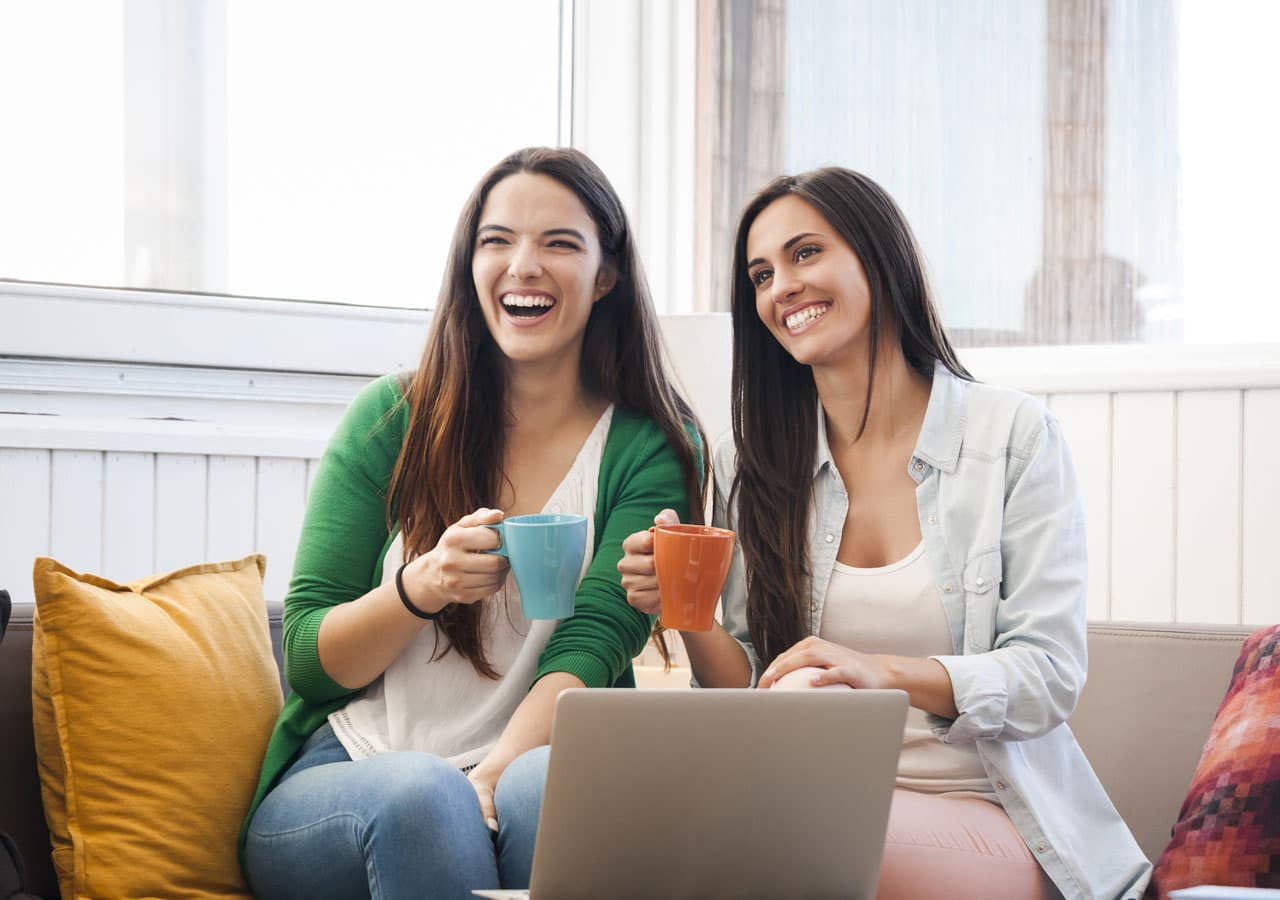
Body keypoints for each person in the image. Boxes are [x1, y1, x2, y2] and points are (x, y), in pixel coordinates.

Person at [618, 167, 1152, 899]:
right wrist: (688, 614)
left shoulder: (1013, 438)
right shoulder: (759, 464)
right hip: (808, 801)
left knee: (783, 842)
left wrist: (882, 673)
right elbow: (745, 686)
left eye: (806, 253)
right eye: (761, 274)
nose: (782, 287)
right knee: (678, 827)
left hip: (989, 809)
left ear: (878, 257)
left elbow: (1048, 677)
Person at [241, 146, 705, 900]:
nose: (524, 264)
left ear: (606, 276)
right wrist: (418, 587)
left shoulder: (652, 445)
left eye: (559, 243)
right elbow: (307, 657)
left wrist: (490, 776)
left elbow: (593, 644)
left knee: (556, 788)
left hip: (532, 752)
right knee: (426, 798)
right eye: (498, 241)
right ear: (470, 266)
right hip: (354, 770)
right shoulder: (389, 420)